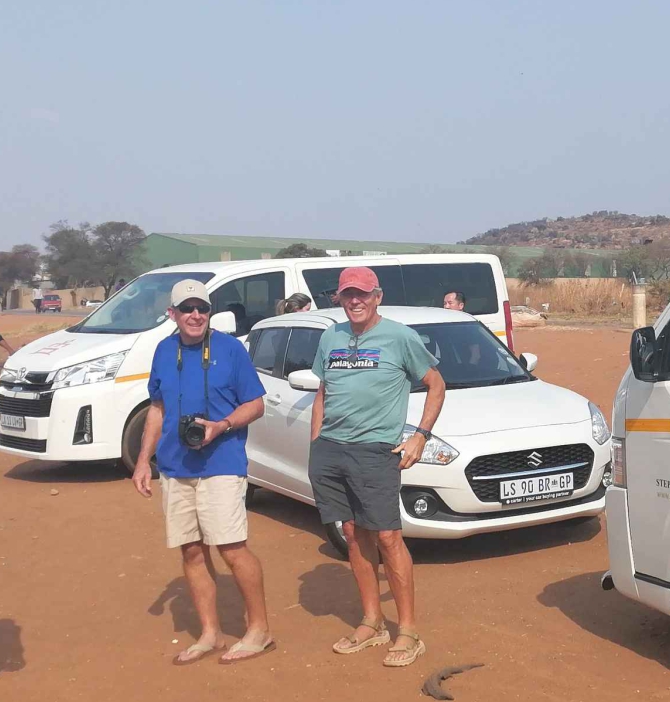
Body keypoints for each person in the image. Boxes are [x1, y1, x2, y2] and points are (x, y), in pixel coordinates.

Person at [132, 279, 275, 665]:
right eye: (187, 308)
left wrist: (221, 426)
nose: (196, 315)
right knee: (191, 550)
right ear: (172, 314)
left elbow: (256, 404)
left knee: (231, 548)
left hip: (222, 463)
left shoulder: (230, 350)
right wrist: (144, 460)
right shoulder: (164, 351)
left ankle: (259, 630)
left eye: (203, 308)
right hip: (176, 466)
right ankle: (210, 633)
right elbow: (158, 410)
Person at [309, 266, 445, 668]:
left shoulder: (401, 337)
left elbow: (436, 384)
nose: (355, 301)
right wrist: (316, 442)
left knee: (387, 537)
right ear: (339, 297)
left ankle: (408, 631)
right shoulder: (330, 336)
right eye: (348, 294)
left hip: (375, 451)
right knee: (351, 533)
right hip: (331, 450)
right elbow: (322, 391)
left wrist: (420, 435)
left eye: (363, 294)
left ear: (377, 297)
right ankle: (372, 622)